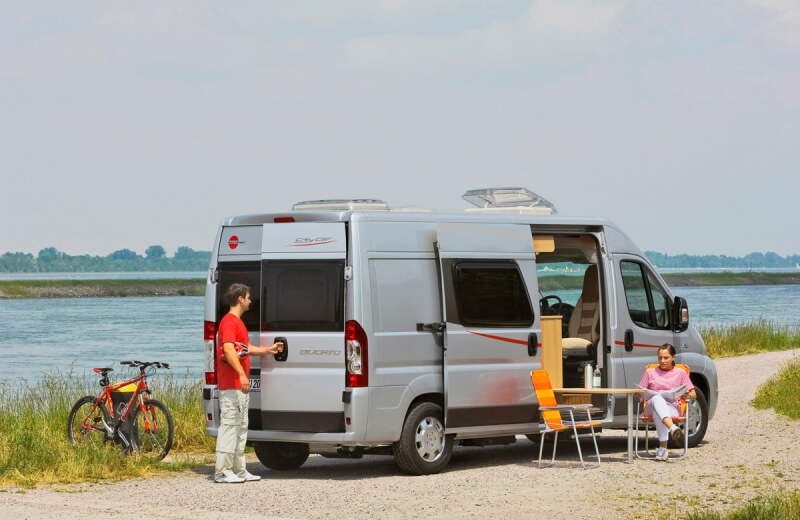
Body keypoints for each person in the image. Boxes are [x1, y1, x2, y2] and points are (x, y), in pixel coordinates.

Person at [214, 283, 284, 484]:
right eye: (248, 297)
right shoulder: (229, 322)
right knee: (230, 426)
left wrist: (268, 350)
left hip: (240, 387)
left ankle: (239, 469)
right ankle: (222, 471)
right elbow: (228, 350)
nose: (251, 300)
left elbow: (245, 348)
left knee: (241, 427)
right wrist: (242, 375)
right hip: (231, 385)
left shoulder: (238, 323)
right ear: (240, 299)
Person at [638, 343, 696, 461]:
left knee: (658, 412)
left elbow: (693, 394)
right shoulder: (650, 372)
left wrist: (685, 395)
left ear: (673, 357)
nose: (662, 361)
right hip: (650, 406)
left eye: (666, 358)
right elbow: (639, 392)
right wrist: (639, 394)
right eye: (660, 358)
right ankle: (672, 427)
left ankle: (663, 449)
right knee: (657, 398)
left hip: (672, 407)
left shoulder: (681, 373)